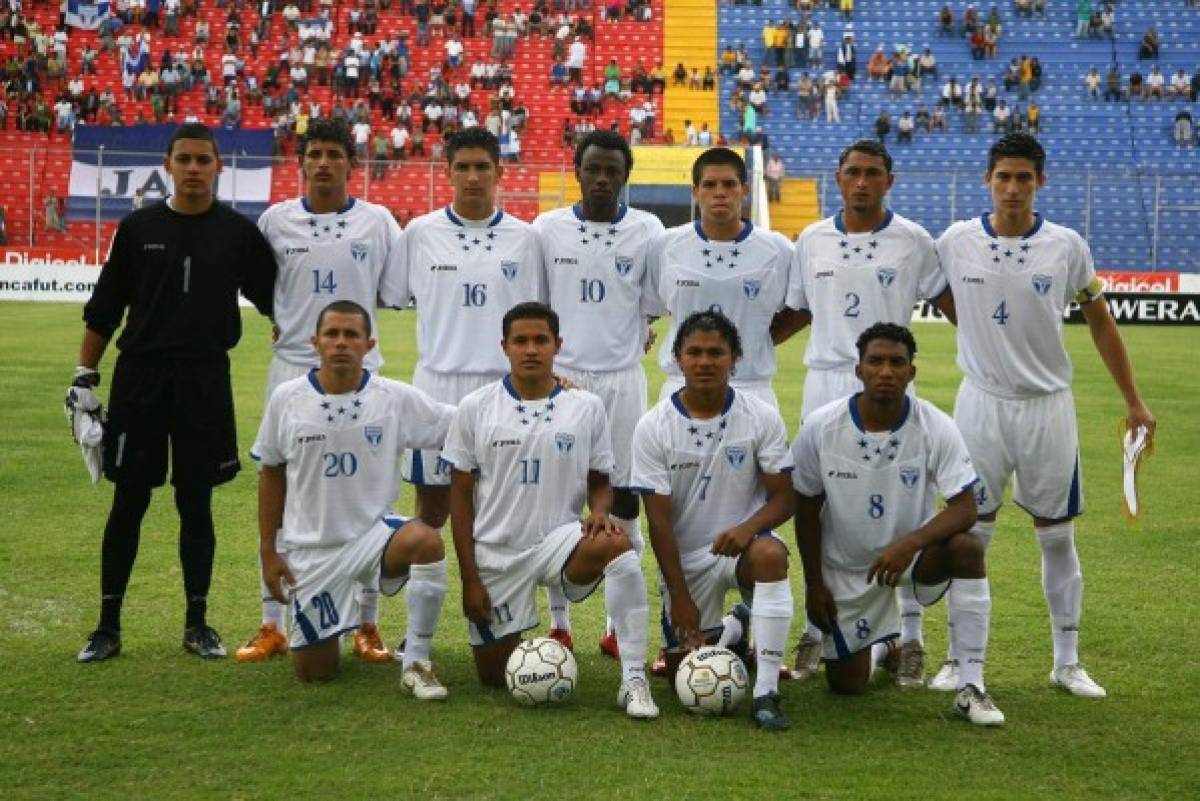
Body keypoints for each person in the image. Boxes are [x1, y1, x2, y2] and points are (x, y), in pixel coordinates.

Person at [932, 133, 1156, 699]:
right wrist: (981, 336)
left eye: (1023, 178)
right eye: (1003, 176)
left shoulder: (1066, 246)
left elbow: (1100, 320)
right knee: (970, 535)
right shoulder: (956, 241)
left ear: (1040, 182)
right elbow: (936, 293)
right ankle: (958, 659)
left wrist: (1134, 400)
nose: (1012, 188)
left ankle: (1066, 661)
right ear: (987, 179)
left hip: (1046, 407)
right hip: (979, 404)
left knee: (1056, 536)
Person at [73, 124, 277, 663]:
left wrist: (292, 327)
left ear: (218, 167)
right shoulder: (139, 228)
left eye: (202, 160)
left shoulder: (237, 233)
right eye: (183, 159)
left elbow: (277, 295)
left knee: (197, 501)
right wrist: (83, 373)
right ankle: (107, 626)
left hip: (204, 380)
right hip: (141, 378)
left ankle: (198, 623)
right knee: (129, 501)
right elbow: (106, 305)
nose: (193, 168)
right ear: (168, 164)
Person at [234, 119, 408, 664]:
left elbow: (394, 289)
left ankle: (367, 625)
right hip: (292, 370)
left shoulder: (377, 221)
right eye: (315, 154)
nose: (325, 162)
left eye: (335, 153)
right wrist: (284, 322)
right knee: (283, 495)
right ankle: (272, 621)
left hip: (362, 376)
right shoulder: (275, 221)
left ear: (350, 164)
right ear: (301, 163)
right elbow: (263, 286)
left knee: (367, 498)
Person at [780, 140, 955, 682]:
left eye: (872, 173)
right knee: (823, 509)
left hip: (888, 383)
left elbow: (957, 309)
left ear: (889, 180)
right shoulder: (811, 239)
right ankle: (818, 631)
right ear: (837, 178)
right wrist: (741, 351)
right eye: (852, 172)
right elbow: (796, 312)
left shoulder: (913, 240)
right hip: (826, 381)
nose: (861, 182)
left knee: (906, 505)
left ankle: (910, 638)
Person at [443, 302, 658, 719]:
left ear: (558, 345)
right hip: (497, 553)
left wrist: (600, 509)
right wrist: (470, 578)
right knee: (493, 675)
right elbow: (459, 499)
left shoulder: (586, 406)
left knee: (618, 543)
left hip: (559, 542)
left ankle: (634, 681)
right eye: (520, 341)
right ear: (504, 346)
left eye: (541, 340)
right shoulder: (475, 407)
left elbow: (600, 478)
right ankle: (521, 636)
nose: (531, 349)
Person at [792, 323, 1003, 726]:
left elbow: (965, 509)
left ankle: (971, 685)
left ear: (912, 372)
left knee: (967, 548)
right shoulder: (821, 426)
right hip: (848, 568)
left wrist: (910, 543)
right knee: (846, 686)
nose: (886, 371)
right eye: (875, 361)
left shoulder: (935, 425)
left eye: (896, 362)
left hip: (912, 558)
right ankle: (885, 648)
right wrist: (815, 584)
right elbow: (805, 507)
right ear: (858, 370)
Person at [253, 301, 454, 689]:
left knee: (426, 541)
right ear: (316, 342)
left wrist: (553, 390)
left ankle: (416, 660)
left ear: (369, 344)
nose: (341, 342)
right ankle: (330, 624)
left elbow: (465, 420)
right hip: (313, 550)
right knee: (315, 672)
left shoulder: (393, 397)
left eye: (351, 335)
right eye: (332, 334)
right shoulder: (287, 398)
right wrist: (268, 550)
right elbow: (271, 474)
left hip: (374, 536)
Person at [531, 131, 664, 655]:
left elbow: (651, 301)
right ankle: (559, 621)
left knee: (624, 502)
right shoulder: (547, 229)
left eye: (613, 170)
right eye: (594, 169)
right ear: (578, 171)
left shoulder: (648, 229)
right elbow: (538, 306)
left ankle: (613, 626)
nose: (603, 179)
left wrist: (640, 330)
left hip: (623, 380)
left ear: (625, 176)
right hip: (562, 381)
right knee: (559, 501)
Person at [633, 311, 796, 730]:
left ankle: (766, 693)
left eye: (716, 353)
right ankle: (735, 629)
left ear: (735, 358)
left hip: (744, 550)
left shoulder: (760, 416)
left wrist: (747, 529)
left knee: (771, 555)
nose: (705, 361)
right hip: (687, 564)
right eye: (695, 353)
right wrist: (680, 596)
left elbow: (785, 495)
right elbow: (659, 525)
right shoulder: (654, 427)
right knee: (683, 675)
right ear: (678, 359)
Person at [397, 128, 544, 563]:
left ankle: (501, 619)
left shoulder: (525, 237)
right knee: (431, 512)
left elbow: (538, 312)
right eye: (463, 167)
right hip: (436, 384)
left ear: (500, 172)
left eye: (482, 167)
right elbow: (389, 294)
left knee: (505, 511)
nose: (473, 176)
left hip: (503, 389)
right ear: (448, 173)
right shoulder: (420, 233)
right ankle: (419, 634)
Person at [645, 148, 802, 409]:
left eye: (729, 184)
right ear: (695, 192)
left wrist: (757, 338)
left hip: (751, 388)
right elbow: (649, 307)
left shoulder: (779, 249)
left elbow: (801, 308)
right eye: (709, 185)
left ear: (745, 190)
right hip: (681, 387)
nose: (720, 192)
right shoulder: (666, 246)